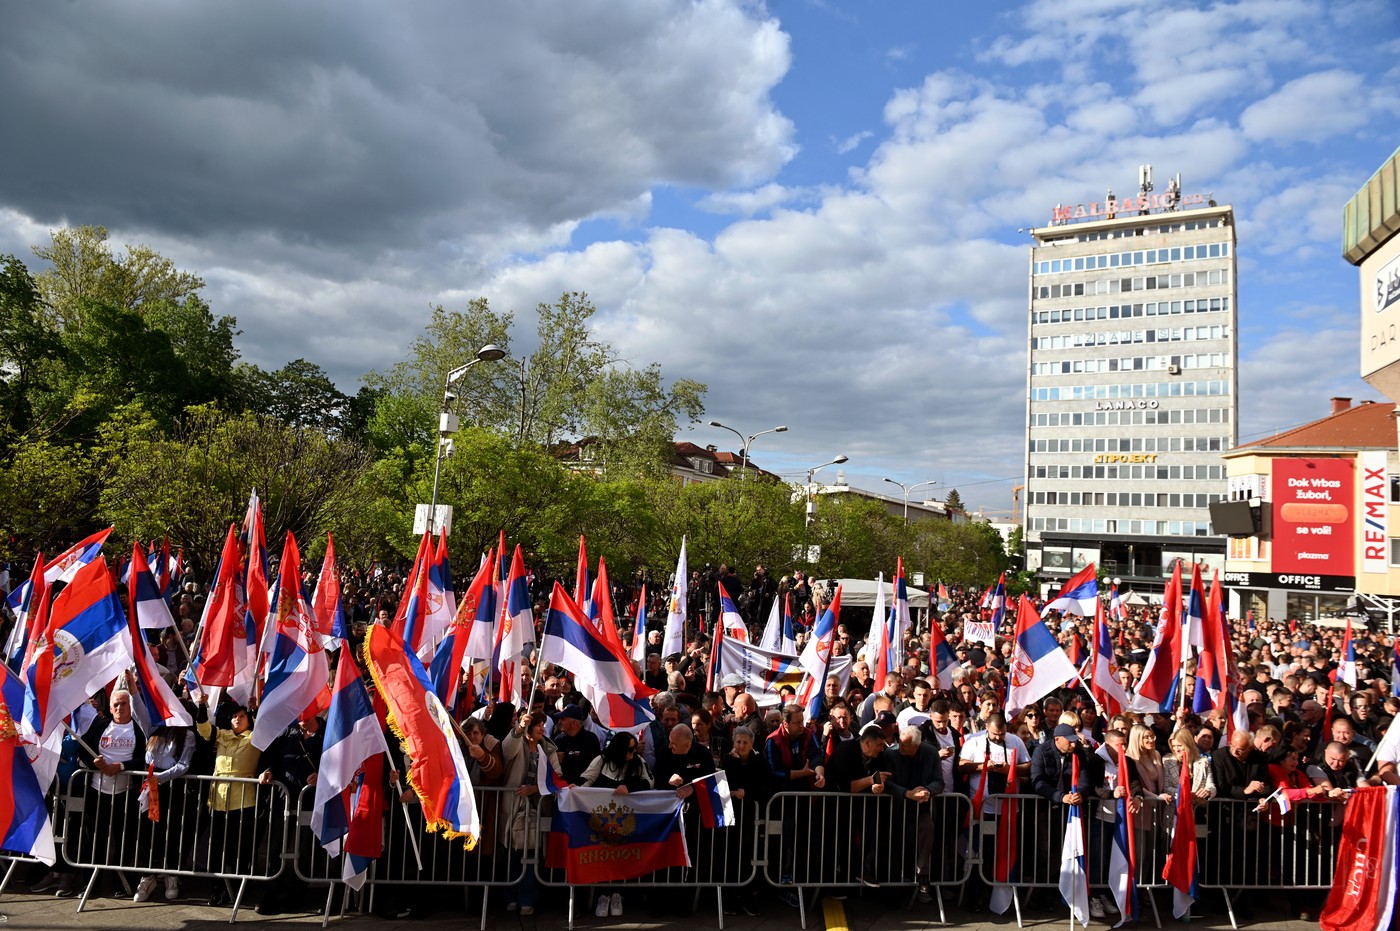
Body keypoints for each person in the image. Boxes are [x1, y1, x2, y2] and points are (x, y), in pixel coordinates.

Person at [195, 695, 262, 906]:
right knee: (217, 846)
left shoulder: (254, 738)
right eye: (234, 716)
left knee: (239, 846)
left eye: (242, 716)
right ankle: (217, 887)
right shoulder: (222, 735)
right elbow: (204, 729)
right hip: (218, 800)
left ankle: (239, 886)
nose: (238, 719)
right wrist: (202, 705)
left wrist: (255, 710)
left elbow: (268, 730)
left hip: (243, 801)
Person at [133, 722, 196, 903]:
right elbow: (139, 711)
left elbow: (184, 765)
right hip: (150, 784)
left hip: (171, 785)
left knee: (172, 828)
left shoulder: (187, 735)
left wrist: (160, 778)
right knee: (148, 829)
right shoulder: (153, 728)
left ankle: (172, 874)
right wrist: (135, 692)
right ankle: (148, 875)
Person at [885, 725, 944, 901]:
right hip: (895, 809)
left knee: (927, 829)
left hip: (921, 808)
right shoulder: (891, 754)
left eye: (905, 745)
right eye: (900, 743)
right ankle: (893, 886)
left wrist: (927, 791)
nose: (900, 747)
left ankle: (923, 875)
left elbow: (939, 782)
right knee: (894, 844)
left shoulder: (931, 753)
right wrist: (907, 793)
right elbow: (886, 782)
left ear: (916, 746)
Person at [721, 726, 769, 916]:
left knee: (748, 859)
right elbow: (724, 783)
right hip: (731, 820)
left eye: (745, 743)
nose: (741, 746)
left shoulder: (759, 762)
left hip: (750, 818)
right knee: (730, 859)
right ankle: (730, 900)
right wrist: (733, 763)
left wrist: (746, 792)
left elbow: (764, 787)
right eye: (738, 742)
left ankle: (747, 898)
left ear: (752, 744)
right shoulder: (728, 761)